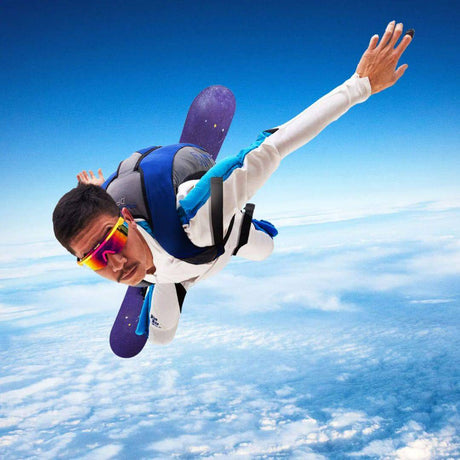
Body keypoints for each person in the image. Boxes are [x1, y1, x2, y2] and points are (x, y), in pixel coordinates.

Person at [53, 21, 414, 345]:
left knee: (265, 248)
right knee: (161, 338)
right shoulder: (115, 229)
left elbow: (274, 145)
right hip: (171, 267)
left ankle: (237, 225)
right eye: (95, 260)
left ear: (128, 220)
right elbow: (106, 229)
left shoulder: (195, 216)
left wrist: (359, 86)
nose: (115, 264)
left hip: (214, 239)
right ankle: (161, 278)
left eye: (113, 240)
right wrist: (95, 193)